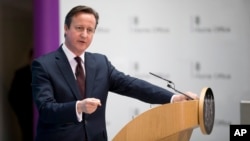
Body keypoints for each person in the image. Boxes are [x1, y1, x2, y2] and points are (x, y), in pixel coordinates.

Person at [31, 5, 199, 141]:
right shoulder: (44, 65)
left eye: (90, 30)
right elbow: (46, 109)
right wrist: (78, 107)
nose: (84, 34)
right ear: (66, 28)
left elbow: (132, 85)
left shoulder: (100, 63)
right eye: (79, 28)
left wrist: (173, 98)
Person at [8, 49, 33, 141]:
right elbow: (12, 96)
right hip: (26, 116)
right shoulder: (20, 74)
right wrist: (22, 114)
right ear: (29, 59)